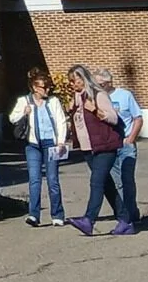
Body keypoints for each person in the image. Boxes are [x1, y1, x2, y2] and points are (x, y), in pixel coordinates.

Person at [63, 63, 125, 235]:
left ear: (84, 78)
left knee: (96, 182)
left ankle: (88, 220)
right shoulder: (77, 98)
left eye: (75, 80)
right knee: (106, 185)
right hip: (88, 148)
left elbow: (113, 118)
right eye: (71, 81)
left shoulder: (98, 95)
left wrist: (96, 110)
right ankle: (125, 220)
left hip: (105, 146)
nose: (73, 84)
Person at [8, 68, 68, 226]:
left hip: (51, 144)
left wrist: (61, 142)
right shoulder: (24, 101)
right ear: (35, 87)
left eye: (48, 87)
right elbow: (12, 118)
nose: (47, 89)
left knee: (53, 179)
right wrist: (24, 112)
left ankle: (57, 215)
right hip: (33, 145)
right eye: (44, 87)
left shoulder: (53, 102)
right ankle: (34, 214)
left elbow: (61, 122)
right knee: (34, 180)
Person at [96, 69, 143, 233]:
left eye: (101, 84)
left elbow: (138, 118)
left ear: (109, 82)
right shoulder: (97, 99)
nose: (99, 87)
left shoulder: (125, 95)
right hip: (110, 145)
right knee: (117, 182)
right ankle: (127, 214)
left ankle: (130, 213)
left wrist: (131, 138)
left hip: (125, 145)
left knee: (127, 179)